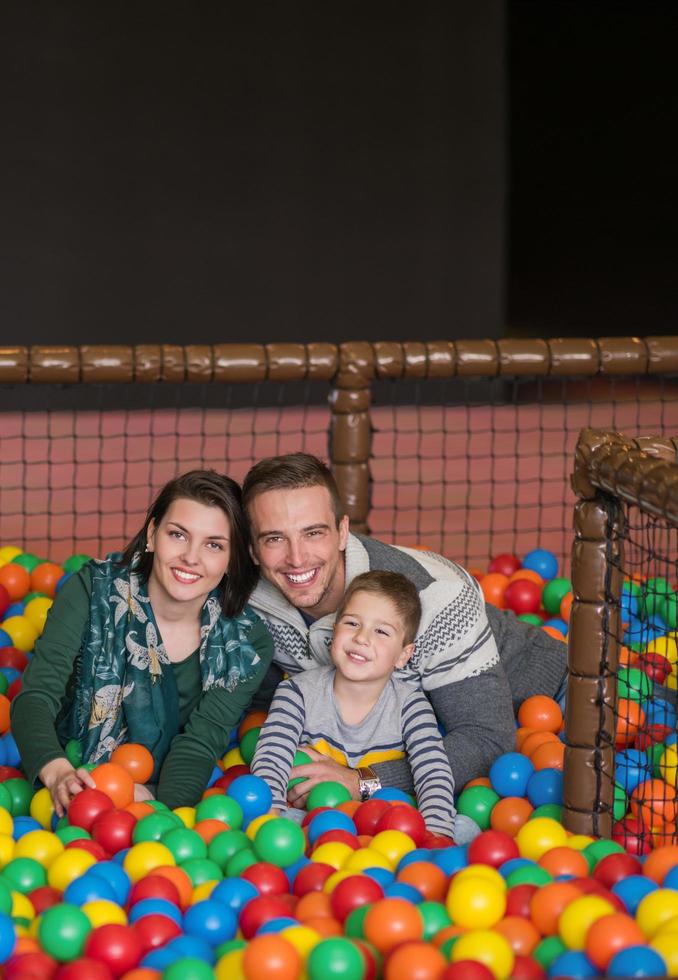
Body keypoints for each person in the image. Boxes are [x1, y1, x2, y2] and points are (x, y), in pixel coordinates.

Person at [243, 452, 568, 804]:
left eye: (313, 533)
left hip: (548, 710)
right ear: (254, 551)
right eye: (274, 538)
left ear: (341, 532)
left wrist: (362, 780)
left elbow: (486, 739)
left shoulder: (435, 597)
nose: (296, 558)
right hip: (399, 743)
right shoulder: (252, 600)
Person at [11, 470, 273, 815]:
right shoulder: (92, 591)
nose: (191, 557)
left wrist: (161, 812)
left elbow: (199, 743)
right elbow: (36, 695)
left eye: (214, 545)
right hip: (73, 768)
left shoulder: (245, 645)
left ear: (232, 558)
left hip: (152, 792)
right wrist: (57, 771)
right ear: (152, 535)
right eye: (178, 535)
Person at [251, 571, 480, 843]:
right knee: (279, 824)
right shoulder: (297, 692)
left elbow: (433, 771)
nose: (362, 638)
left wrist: (434, 833)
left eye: (381, 631)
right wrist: (270, 815)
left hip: (389, 823)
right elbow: (271, 756)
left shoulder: (411, 705)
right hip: (316, 819)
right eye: (352, 623)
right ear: (334, 631)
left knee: (465, 827)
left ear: (403, 655)